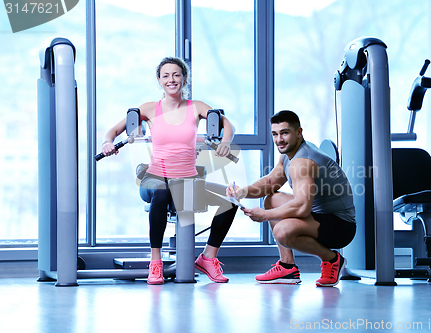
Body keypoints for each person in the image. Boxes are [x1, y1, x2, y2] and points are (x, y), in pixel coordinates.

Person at [101, 57, 238, 284]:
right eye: (166, 75)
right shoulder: (148, 109)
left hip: (186, 180)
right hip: (155, 178)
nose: (171, 79)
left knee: (230, 200)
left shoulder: (196, 107)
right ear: (159, 80)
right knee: (163, 190)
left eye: (176, 75)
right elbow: (113, 131)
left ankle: (208, 257)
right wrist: (107, 143)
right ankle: (156, 263)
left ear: (184, 78)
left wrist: (225, 141)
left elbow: (227, 125)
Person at [228, 110, 356, 287]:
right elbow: (270, 182)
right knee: (271, 198)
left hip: (340, 226)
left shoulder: (302, 162)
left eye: (285, 133)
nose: (279, 139)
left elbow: (302, 207)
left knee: (282, 231)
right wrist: (241, 192)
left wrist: (265, 215)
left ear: (299, 132)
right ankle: (287, 267)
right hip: (319, 215)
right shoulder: (290, 154)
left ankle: (332, 259)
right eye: (275, 134)